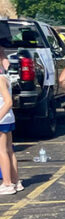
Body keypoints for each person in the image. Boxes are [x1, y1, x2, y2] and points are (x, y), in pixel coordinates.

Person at [0, 46, 21, 195]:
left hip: (2, 118)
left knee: (2, 152)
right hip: (8, 118)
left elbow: (8, 102)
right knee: (9, 150)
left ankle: (7, 183)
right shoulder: (5, 77)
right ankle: (15, 181)